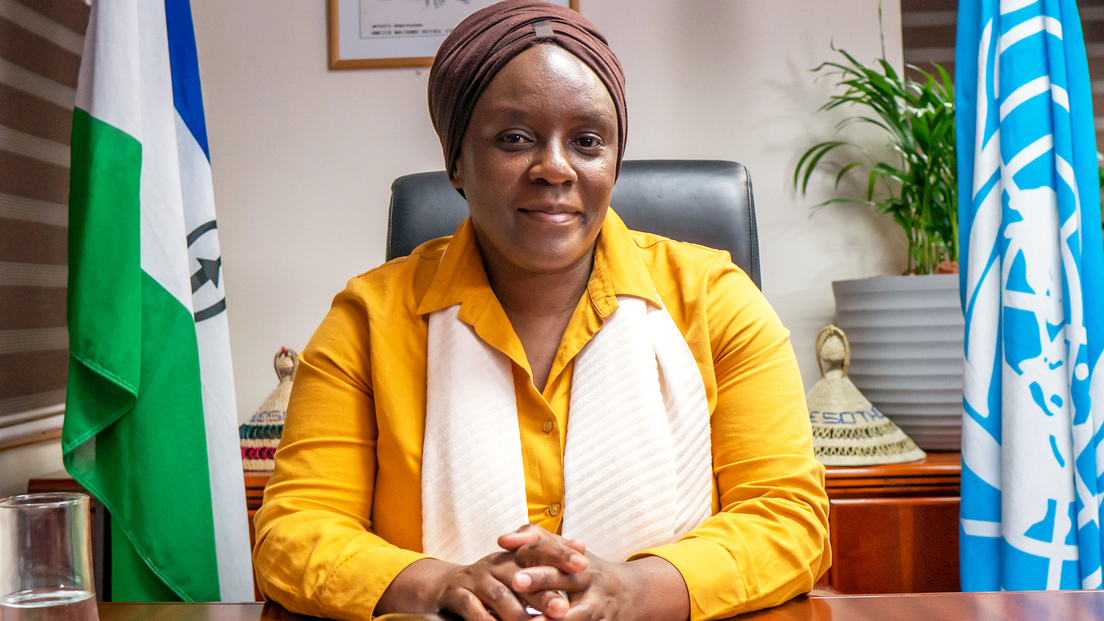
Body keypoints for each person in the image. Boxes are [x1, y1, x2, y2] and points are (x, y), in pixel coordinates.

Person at [251, 2, 830, 620]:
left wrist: (638, 592)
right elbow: (294, 529)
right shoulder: (369, 320)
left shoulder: (716, 300)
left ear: (613, 161)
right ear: (456, 163)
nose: (555, 167)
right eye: (514, 138)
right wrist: (443, 587)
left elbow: (788, 519)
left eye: (587, 141)